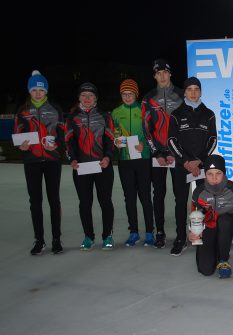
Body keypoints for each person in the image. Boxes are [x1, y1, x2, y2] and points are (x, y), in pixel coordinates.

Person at [14, 70, 64, 255]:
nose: (37, 93)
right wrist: (22, 146)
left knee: (54, 201)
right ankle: (39, 240)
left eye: (40, 90)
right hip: (32, 161)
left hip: (52, 161)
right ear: (29, 91)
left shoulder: (55, 108)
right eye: (34, 89)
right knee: (35, 202)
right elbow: (17, 135)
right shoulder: (23, 111)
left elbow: (62, 133)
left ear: (46, 91)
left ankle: (56, 238)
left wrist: (57, 144)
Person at [168, 76, 217, 256]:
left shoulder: (209, 113)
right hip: (182, 166)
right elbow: (171, 141)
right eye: (190, 89)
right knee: (180, 202)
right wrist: (186, 162)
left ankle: (204, 235)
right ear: (185, 92)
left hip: (202, 166)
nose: (193, 92)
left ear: (201, 92)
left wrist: (200, 160)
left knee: (204, 202)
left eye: (196, 89)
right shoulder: (176, 114)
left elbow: (213, 140)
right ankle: (181, 238)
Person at [65, 82, 115, 250]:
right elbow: (68, 142)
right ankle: (88, 236)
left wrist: (108, 157)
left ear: (96, 98)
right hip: (82, 168)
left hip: (103, 166)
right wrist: (72, 159)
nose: (87, 98)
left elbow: (110, 140)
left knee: (105, 202)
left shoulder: (104, 116)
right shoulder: (72, 118)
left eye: (91, 96)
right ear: (79, 97)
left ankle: (107, 235)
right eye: (84, 95)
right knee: (85, 203)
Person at [142, 58, 183, 249]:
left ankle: (181, 233)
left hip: (177, 154)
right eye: (158, 73)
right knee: (158, 194)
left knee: (180, 195)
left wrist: (177, 152)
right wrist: (156, 152)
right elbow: (146, 128)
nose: (162, 76)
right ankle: (160, 232)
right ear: (154, 76)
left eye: (165, 72)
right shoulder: (148, 98)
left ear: (170, 73)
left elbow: (185, 126)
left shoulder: (181, 95)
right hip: (158, 154)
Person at [190, 154, 233, 279]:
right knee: (206, 270)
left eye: (218, 173)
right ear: (205, 175)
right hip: (209, 227)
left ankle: (223, 260)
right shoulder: (199, 192)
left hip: (228, 225)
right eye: (210, 174)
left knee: (224, 220)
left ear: (224, 173)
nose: (214, 178)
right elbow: (194, 215)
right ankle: (214, 249)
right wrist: (192, 232)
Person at [112, 79, 155, 247]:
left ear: (136, 95)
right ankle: (134, 232)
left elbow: (151, 131)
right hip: (125, 160)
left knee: (145, 196)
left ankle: (150, 232)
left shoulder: (144, 110)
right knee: (129, 197)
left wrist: (144, 144)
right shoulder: (115, 112)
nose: (127, 97)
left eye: (130, 94)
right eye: (124, 94)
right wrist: (116, 142)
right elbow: (114, 133)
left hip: (143, 158)